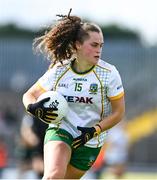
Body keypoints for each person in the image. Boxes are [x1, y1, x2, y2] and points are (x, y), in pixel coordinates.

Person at [22, 9, 125, 179]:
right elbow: (29, 95)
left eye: (101, 45)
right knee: (53, 176)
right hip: (61, 129)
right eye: (94, 45)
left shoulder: (109, 74)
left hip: (91, 140)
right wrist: (33, 108)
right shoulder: (60, 69)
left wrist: (94, 130)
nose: (99, 50)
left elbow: (118, 113)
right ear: (77, 44)